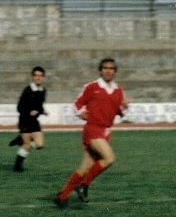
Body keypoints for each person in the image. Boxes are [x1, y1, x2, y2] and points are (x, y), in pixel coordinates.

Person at [54, 58, 127, 209]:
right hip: (92, 130)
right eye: (105, 68)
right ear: (100, 70)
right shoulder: (92, 86)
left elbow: (121, 111)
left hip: (105, 132)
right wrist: (80, 113)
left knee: (84, 167)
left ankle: (62, 196)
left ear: (115, 71)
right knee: (109, 158)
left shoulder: (118, 91)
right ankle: (84, 184)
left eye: (111, 68)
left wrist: (125, 106)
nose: (108, 70)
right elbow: (76, 104)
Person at [8, 67, 47, 172]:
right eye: (36, 75)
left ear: (43, 77)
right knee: (27, 146)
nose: (38, 77)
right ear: (33, 77)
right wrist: (29, 112)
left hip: (34, 121)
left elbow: (39, 106)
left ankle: (21, 138)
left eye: (40, 75)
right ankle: (17, 166)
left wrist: (42, 111)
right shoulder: (28, 89)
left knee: (40, 145)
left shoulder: (43, 90)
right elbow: (19, 107)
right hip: (24, 120)